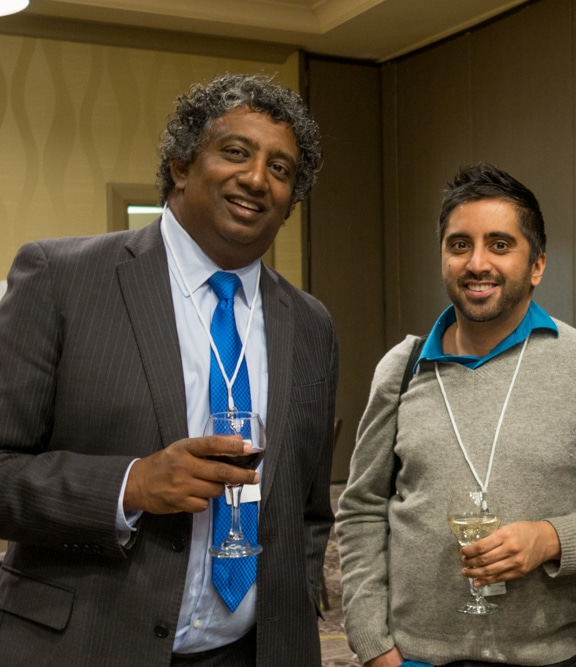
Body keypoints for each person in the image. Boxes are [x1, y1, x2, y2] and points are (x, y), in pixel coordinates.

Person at [0, 73, 338, 666]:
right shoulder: (60, 279)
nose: (257, 179)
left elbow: (310, 510)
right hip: (92, 646)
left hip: (255, 652)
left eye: (281, 169)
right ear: (182, 165)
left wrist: (296, 600)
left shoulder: (311, 324)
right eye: (236, 152)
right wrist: (131, 485)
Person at [335, 163, 576, 667]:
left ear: (538, 265)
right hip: (413, 658)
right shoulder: (402, 368)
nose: (477, 262)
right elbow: (363, 509)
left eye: (500, 245)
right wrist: (374, 645)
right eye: (460, 245)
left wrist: (550, 539)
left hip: (545, 657)